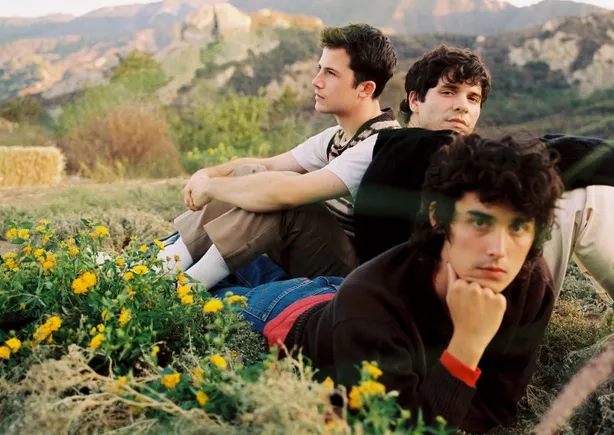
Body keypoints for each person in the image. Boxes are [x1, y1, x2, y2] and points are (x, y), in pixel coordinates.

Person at [214, 134, 565, 433]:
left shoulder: (531, 284)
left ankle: (257, 265)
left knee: (272, 275)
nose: (498, 250)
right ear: (439, 218)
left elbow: (497, 407)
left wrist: (437, 401)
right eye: (479, 223)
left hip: (342, 303)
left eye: (518, 227)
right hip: (286, 316)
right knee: (209, 295)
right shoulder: (369, 302)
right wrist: (468, 343)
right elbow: (405, 428)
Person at [354, 45, 614, 301]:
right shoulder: (418, 147)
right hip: (439, 315)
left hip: (432, 301)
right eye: (448, 92)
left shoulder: (400, 148)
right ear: (415, 100)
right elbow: (546, 153)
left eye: (473, 98)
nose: (462, 106)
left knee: (547, 191)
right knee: (584, 195)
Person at [155, 23, 401, 288]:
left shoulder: (380, 145)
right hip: (315, 251)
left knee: (285, 201)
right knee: (252, 174)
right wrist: (206, 175)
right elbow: (266, 165)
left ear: (365, 89)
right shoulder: (337, 136)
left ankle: (185, 288)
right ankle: (162, 268)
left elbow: (285, 193)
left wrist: (213, 188)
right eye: (320, 68)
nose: (316, 81)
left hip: (350, 276)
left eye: (330, 73)